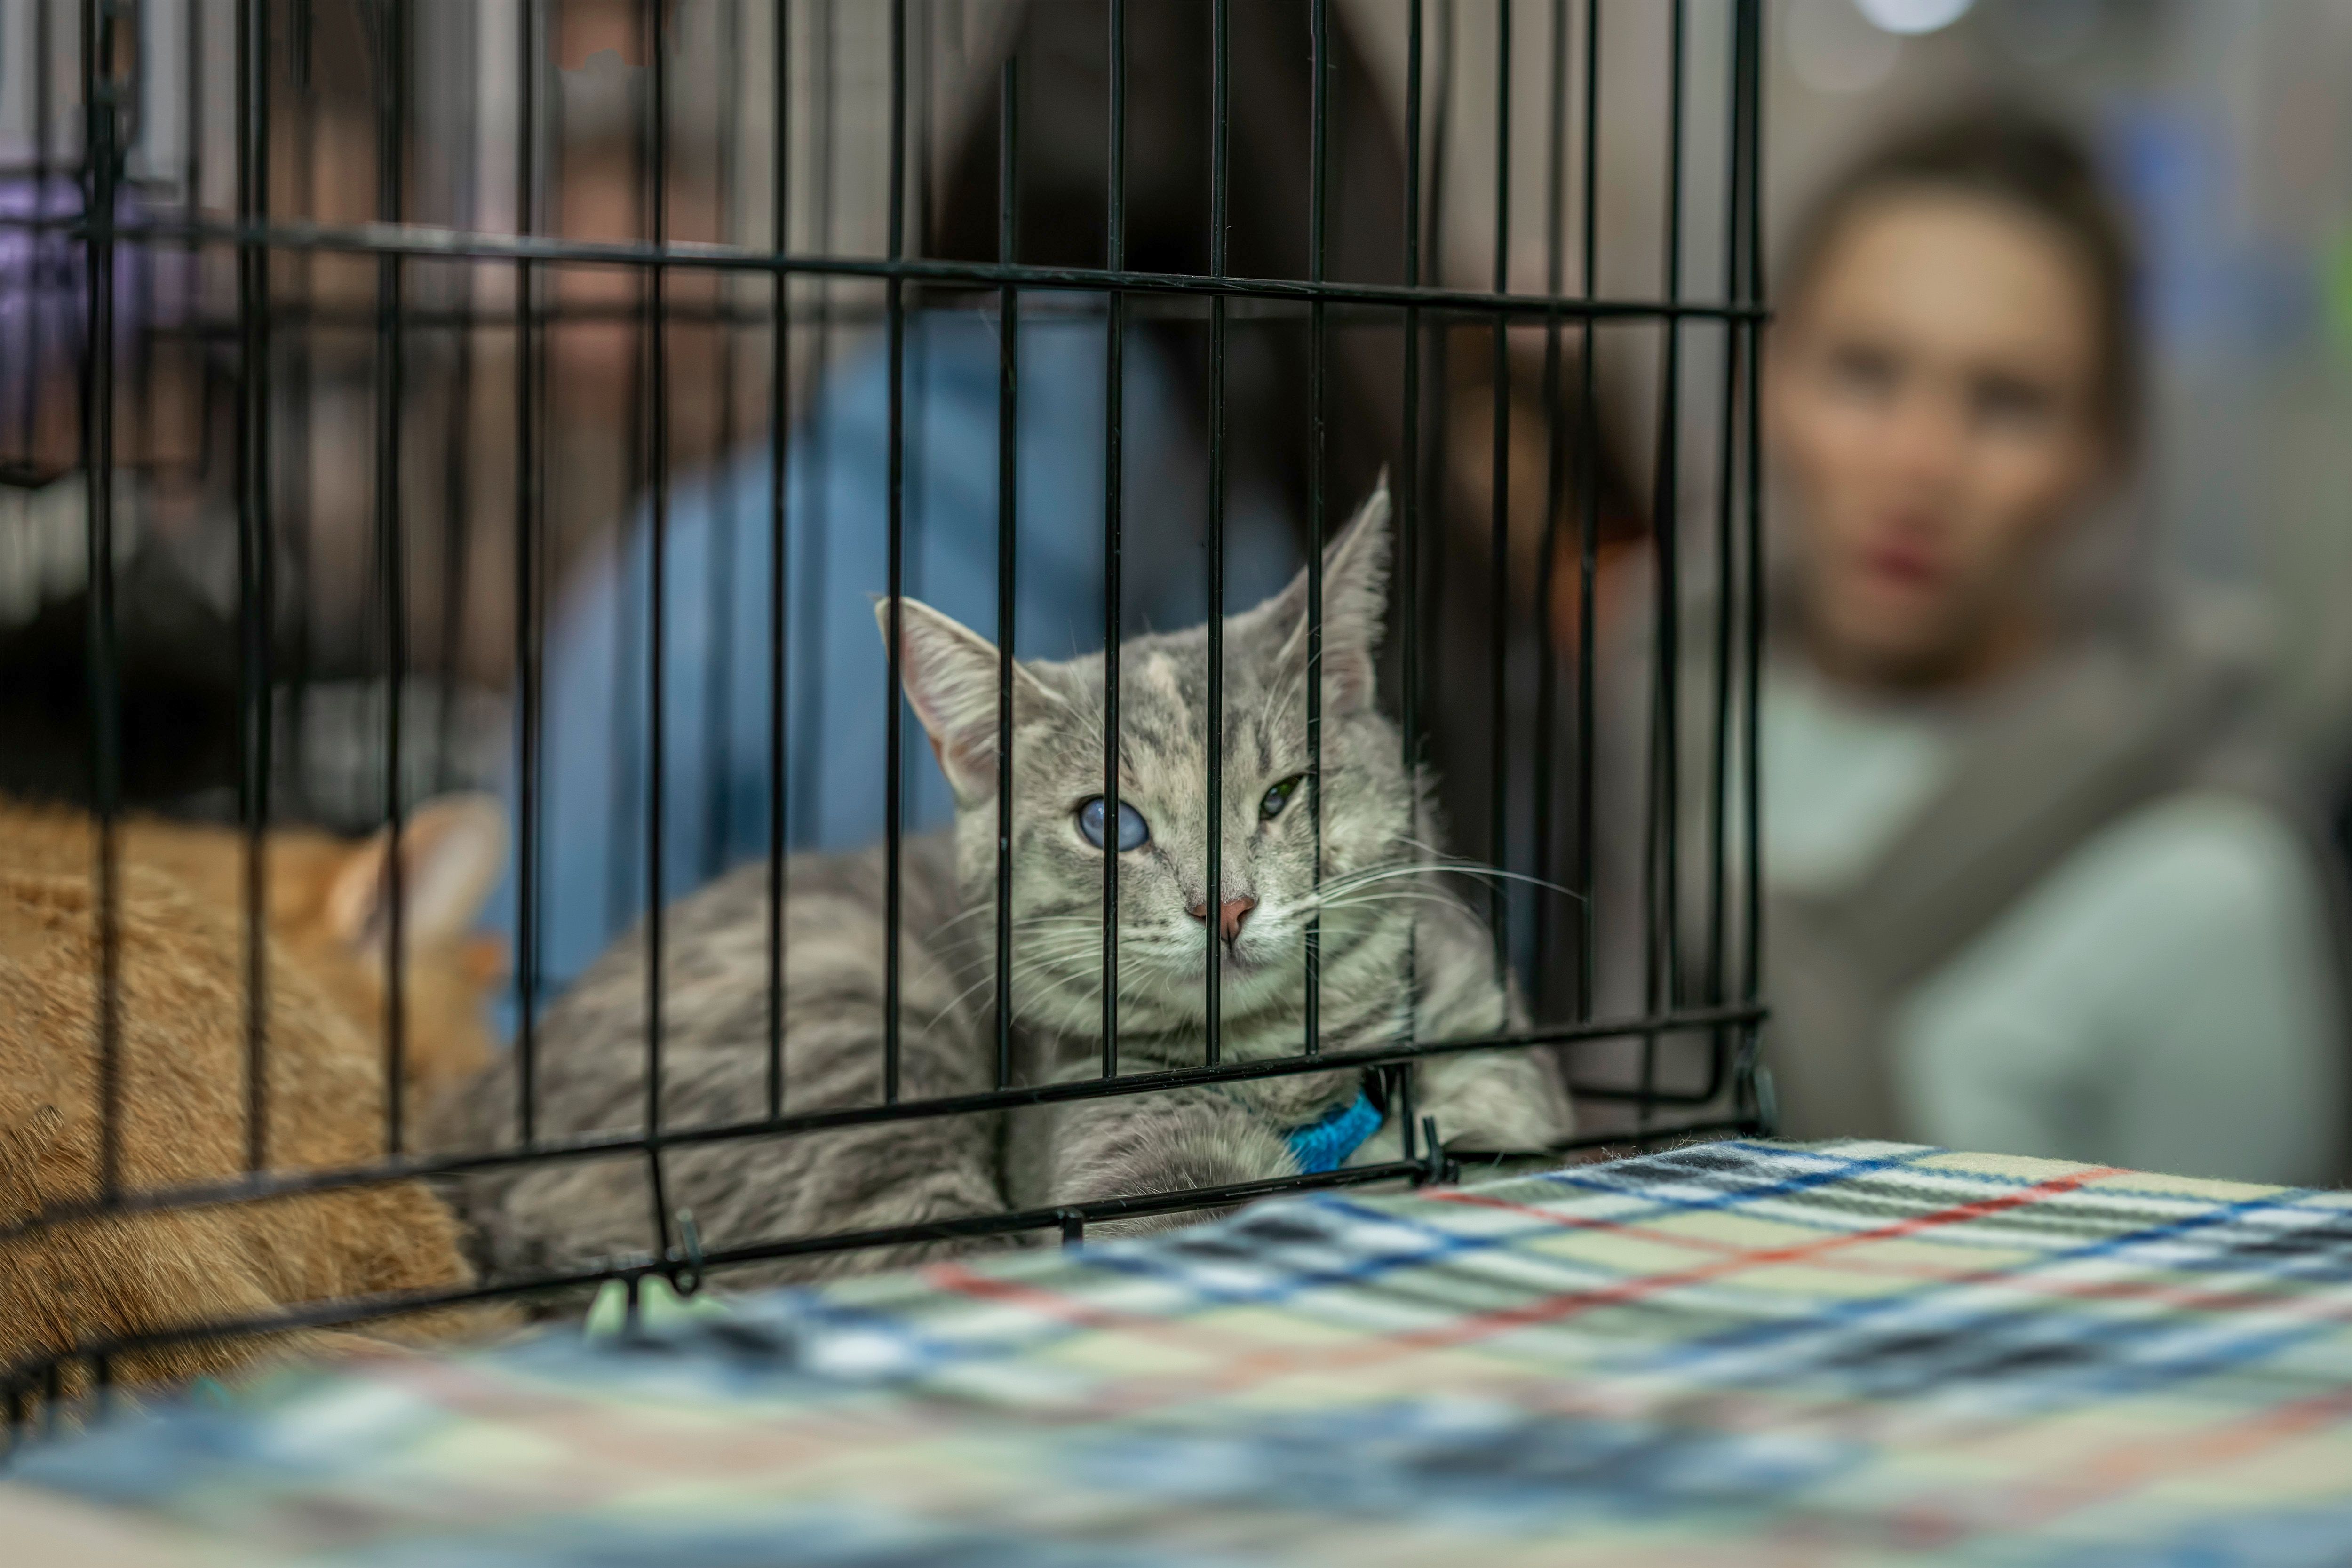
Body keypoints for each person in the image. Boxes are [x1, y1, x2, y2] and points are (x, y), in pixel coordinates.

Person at [1695, 104, 2346, 1184]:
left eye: (2008, 402)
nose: (1918, 463)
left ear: (2104, 451)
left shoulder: (2208, 876)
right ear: (1763, 380)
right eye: (1863, 370)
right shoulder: (1629, 731)